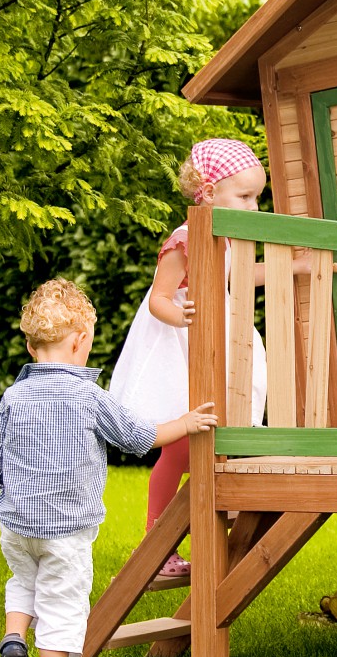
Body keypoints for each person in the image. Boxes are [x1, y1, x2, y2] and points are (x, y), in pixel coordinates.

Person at [0, 278, 217, 657]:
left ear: (31, 348)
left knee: (24, 580)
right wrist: (186, 423)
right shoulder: (89, 396)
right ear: (82, 341)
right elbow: (139, 437)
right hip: (66, 530)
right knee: (61, 602)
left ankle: (14, 638)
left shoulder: (14, 396)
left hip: (17, 525)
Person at [108, 138, 269, 578]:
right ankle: (155, 539)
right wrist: (180, 316)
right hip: (179, 343)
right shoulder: (185, 238)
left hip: (209, 339)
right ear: (209, 192)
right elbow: (159, 297)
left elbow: (239, 276)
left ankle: (224, 507)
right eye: (245, 196)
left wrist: (294, 268)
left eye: (257, 196)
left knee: (219, 424)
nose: (253, 207)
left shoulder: (229, 238)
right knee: (180, 445)